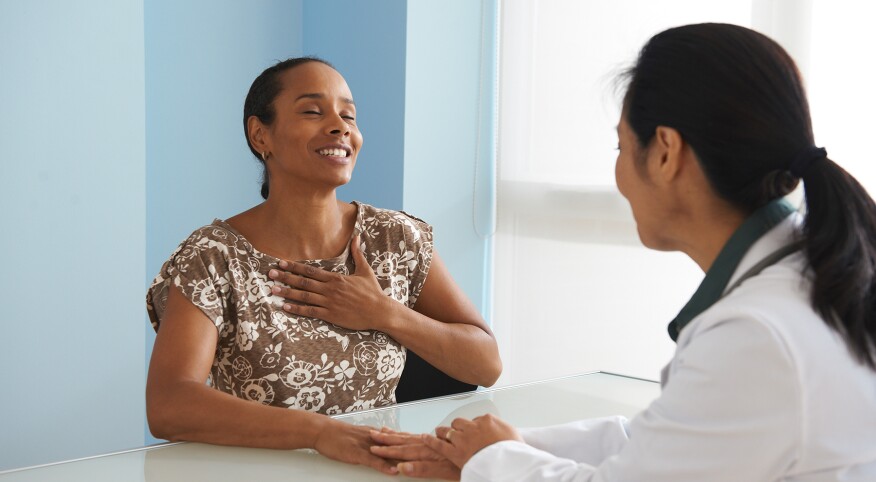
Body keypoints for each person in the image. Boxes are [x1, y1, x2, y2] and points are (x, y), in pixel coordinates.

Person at [369, 23, 876, 481]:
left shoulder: (755, 333)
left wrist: (492, 457)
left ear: (665, 152)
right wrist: (496, 447)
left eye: (619, 147)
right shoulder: (817, 272)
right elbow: (666, 440)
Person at [145, 56, 502, 475]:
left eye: (348, 114)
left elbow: (486, 364)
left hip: (376, 471)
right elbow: (169, 404)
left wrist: (385, 313)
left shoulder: (395, 238)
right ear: (261, 135)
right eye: (313, 111)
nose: (340, 126)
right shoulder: (213, 256)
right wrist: (318, 433)